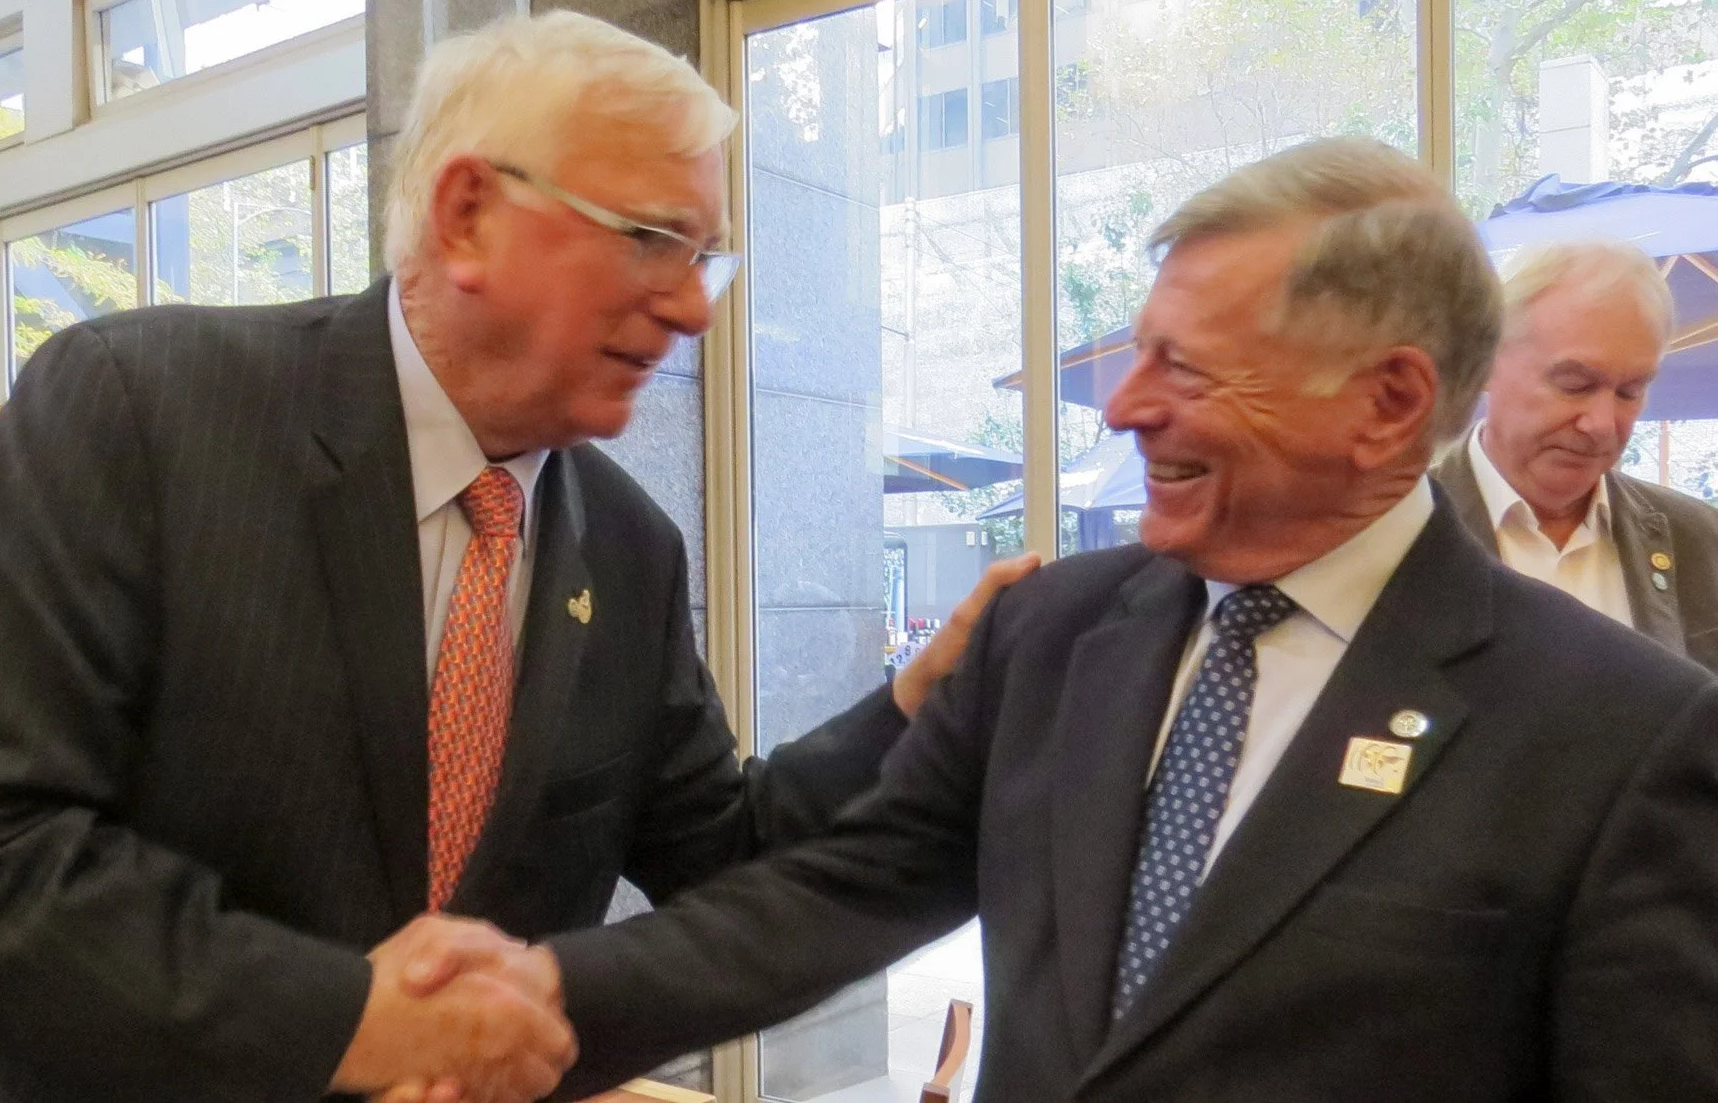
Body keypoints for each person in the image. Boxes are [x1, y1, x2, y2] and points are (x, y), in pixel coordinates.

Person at [0, 10, 1032, 1103]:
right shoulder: (139, 415)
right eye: (648, 238)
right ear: (468, 214)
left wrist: (917, 702)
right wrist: (346, 1024)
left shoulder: (628, 550)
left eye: (703, 259)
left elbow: (724, 854)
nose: (689, 309)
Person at [521, 138, 1718, 1101]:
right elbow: (826, 899)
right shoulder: (1047, 632)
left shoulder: (1622, 736)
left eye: (1186, 371)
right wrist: (512, 1012)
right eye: (1138, 358)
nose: (1127, 409)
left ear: (1387, 402)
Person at [1432, 240, 1718, 670]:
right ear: (1484, 363)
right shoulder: (1397, 528)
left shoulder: (1700, 541)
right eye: (1574, 384)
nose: (1601, 423)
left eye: (1629, 392)